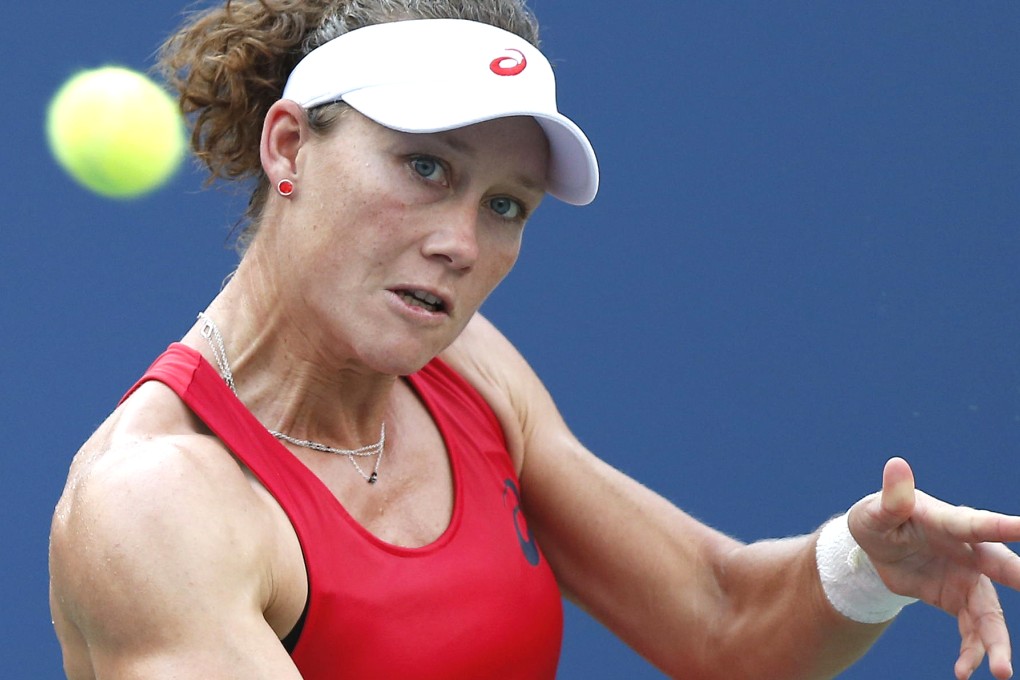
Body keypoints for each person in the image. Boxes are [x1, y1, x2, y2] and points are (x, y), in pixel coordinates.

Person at [48, 1, 1020, 679]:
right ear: (290, 145)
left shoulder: (463, 370)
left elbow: (722, 620)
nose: (461, 243)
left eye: (506, 204)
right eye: (426, 166)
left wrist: (860, 563)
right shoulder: (157, 504)